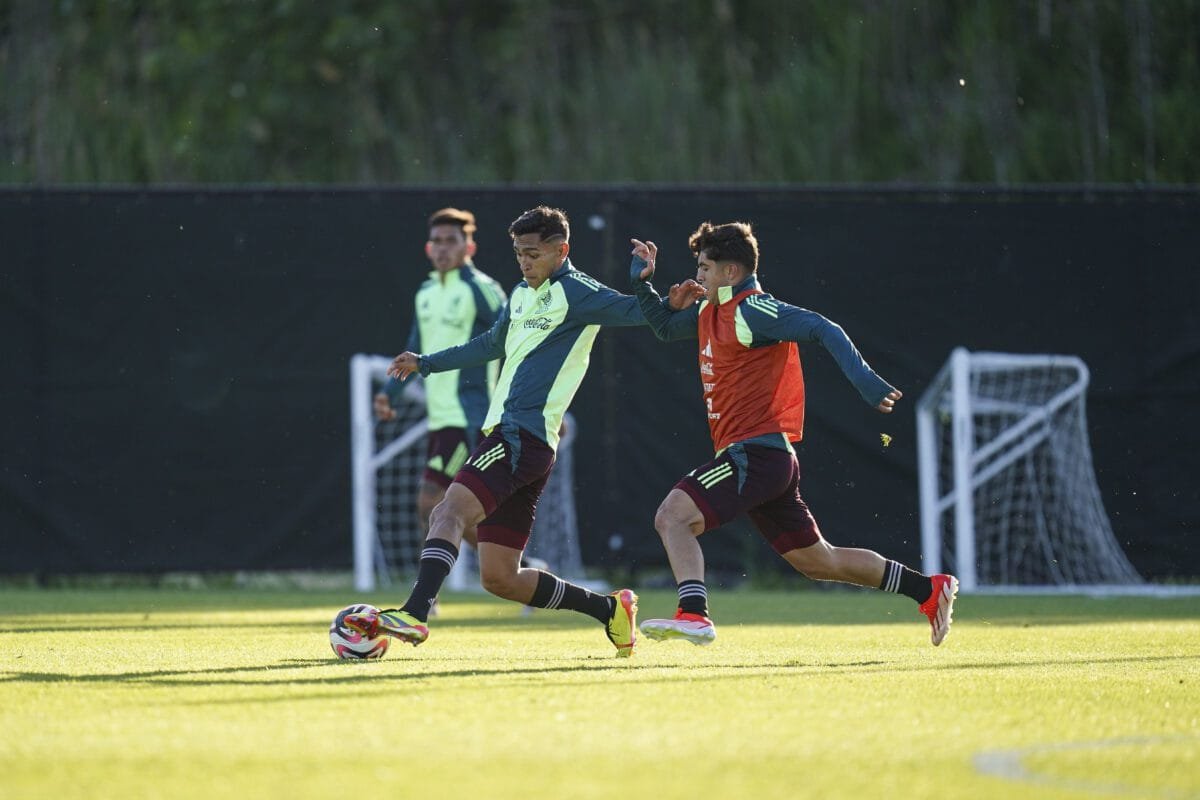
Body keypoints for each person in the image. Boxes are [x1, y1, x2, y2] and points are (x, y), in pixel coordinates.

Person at [347, 206, 663, 657]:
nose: (524, 262)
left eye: (533, 253)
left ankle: (415, 613)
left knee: (444, 511)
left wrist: (645, 283)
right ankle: (609, 610)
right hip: (523, 445)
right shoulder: (519, 294)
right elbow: (489, 344)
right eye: (518, 253)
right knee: (500, 577)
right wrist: (426, 363)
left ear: (561, 250)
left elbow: (640, 313)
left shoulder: (578, 292)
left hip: (517, 437)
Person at [628, 221, 958, 647]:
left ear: (732, 272)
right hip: (767, 460)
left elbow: (824, 328)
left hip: (755, 456)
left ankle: (694, 613)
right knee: (820, 561)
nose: (699, 275)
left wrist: (867, 382)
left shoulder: (751, 308)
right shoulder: (713, 310)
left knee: (671, 517)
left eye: (706, 267)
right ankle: (928, 590)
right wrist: (643, 285)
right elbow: (664, 328)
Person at [374, 208, 505, 554]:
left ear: (469, 247)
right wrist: (389, 393)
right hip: (441, 419)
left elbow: (516, 340)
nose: (443, 248)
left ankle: (426, 600)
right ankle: (517, 567)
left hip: (471, 419)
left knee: (431, 502)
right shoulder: (426, 292)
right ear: (428, 248)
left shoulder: (483, 290)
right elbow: (416, 350)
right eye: (437, 241)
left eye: (451, 241)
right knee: (448, 512)